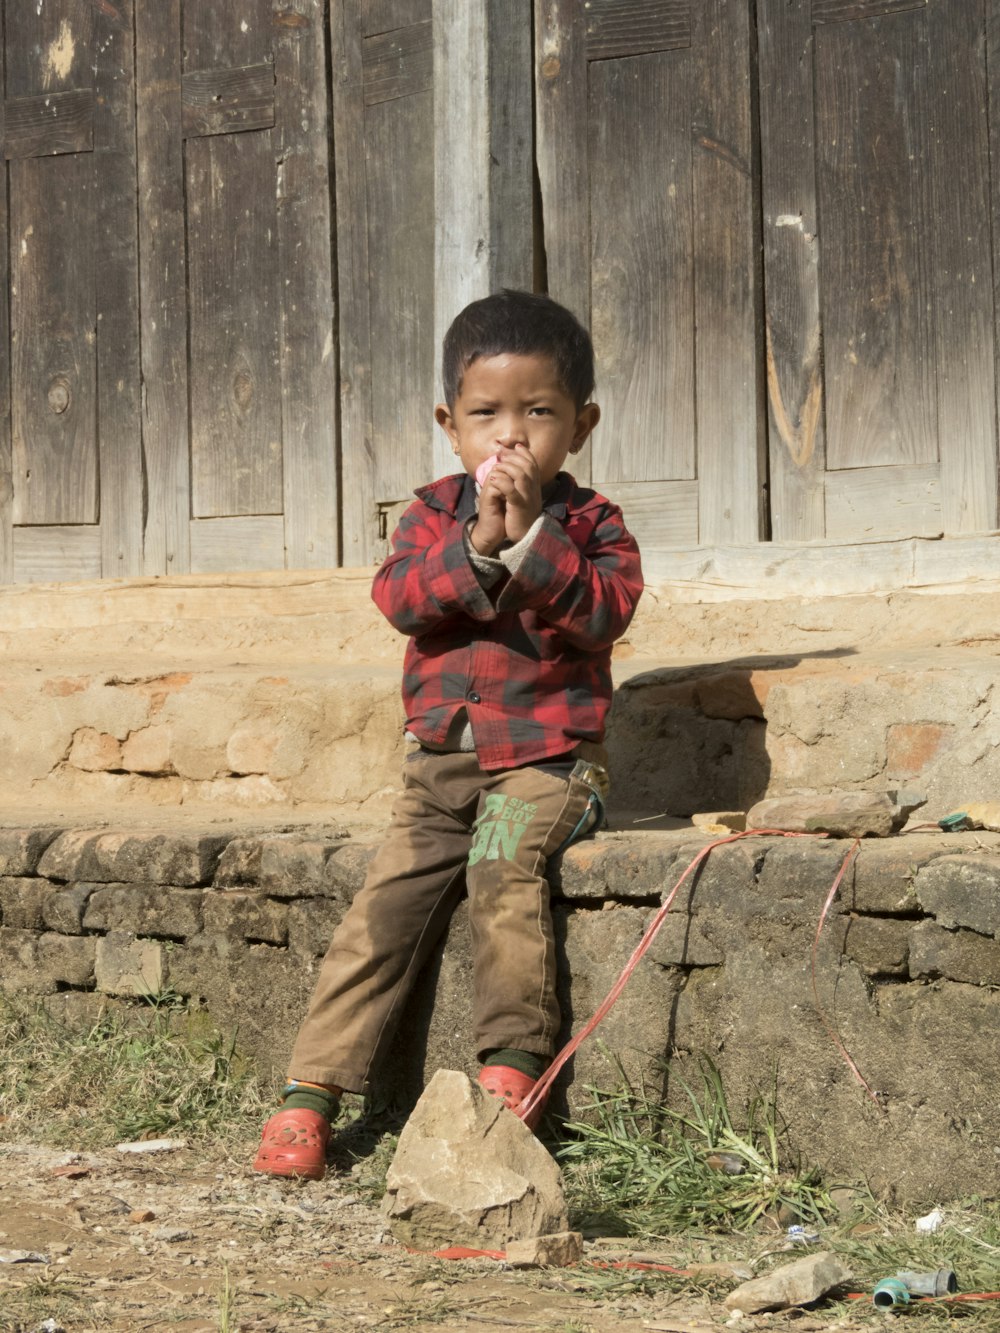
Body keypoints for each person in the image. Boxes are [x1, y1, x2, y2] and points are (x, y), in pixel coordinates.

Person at [253, 289, 644, 1180]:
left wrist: (533, 543)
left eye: (538, 413)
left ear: (579, 425)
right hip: (440, 768)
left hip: (546, 767)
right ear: (450, 424)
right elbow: (399, 599)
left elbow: (605, 615)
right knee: (382, 909)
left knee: (503, 870)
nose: (511, 438)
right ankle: (310, 1091)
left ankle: (508, 1074)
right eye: (486, 415)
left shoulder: (593, 525)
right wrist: (476, 543)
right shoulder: (431, 515)